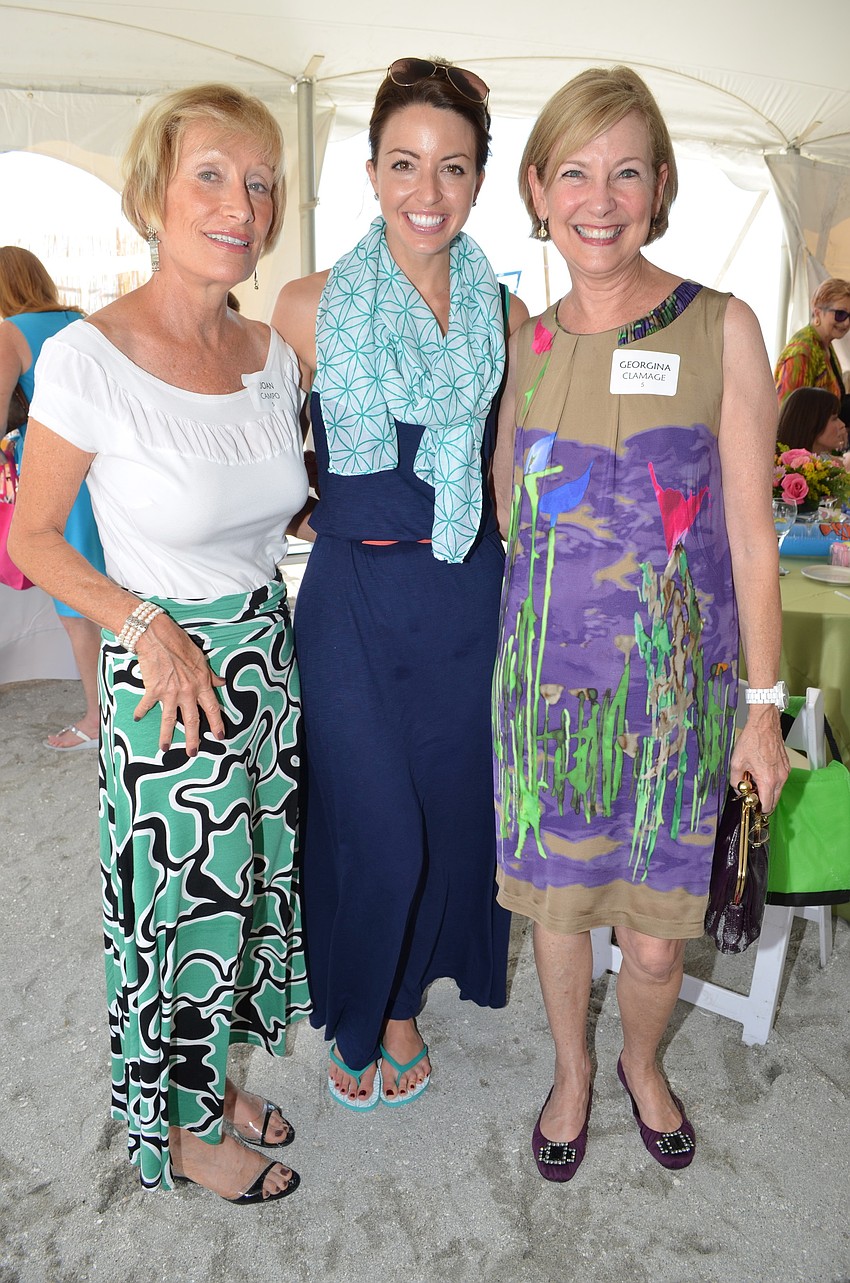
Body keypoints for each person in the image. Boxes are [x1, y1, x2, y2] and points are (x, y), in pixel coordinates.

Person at [9, 84, 310, 1203]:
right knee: (187, 906)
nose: (241, 203)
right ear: (152, 193)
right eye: (212, 175)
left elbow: (270, 508)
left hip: (264, 661)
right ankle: (180, 1131)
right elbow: (35, 535)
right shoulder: (90, 356)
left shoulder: (271, 352)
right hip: (164, 668)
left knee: (252, 894)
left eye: (261, 181)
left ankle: (217, 1081)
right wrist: (144, 624)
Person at [491, 65, 789, 1181]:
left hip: (682, 699)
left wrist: (762, 712)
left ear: (659, 185)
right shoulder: (524, 343)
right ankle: (570, 1070)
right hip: (549, 697)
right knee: (562, 913)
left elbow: (755, 538)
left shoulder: (723, 327)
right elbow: (503, 507)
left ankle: (639, 1061)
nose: (599, 197)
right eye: (573, 171)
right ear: (537, 188)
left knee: (659, 929)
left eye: (625, 171)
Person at [273, 57, 527, 1109]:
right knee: (371, 818)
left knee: (446, 811)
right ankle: (357, 996)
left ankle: (399, 1001)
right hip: (351, 603)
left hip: (467, 596)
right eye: (405, 164)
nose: (428, 192)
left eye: (453, 167)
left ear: (478, 181)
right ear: (371, 171)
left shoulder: (506, 317)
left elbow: (504, 476)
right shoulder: (304, 304)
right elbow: (261, 458)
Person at [0, 246, 104, 749]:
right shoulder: (84, 320)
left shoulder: (10, 332)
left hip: (57, 474)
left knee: (75, 598)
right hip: (106, 468)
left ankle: (96, 721)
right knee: (115, 584)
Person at [774, 278, 850, 405]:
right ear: (818, 312)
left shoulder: (825, 344)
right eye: (840, 314)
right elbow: (787, 412)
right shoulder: (802, 352)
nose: (846, 323)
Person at [776, 385, 847, 456]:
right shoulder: (784, 464)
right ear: (811, 423)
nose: (842, 424)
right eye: (834, 419)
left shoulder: (827, 460)